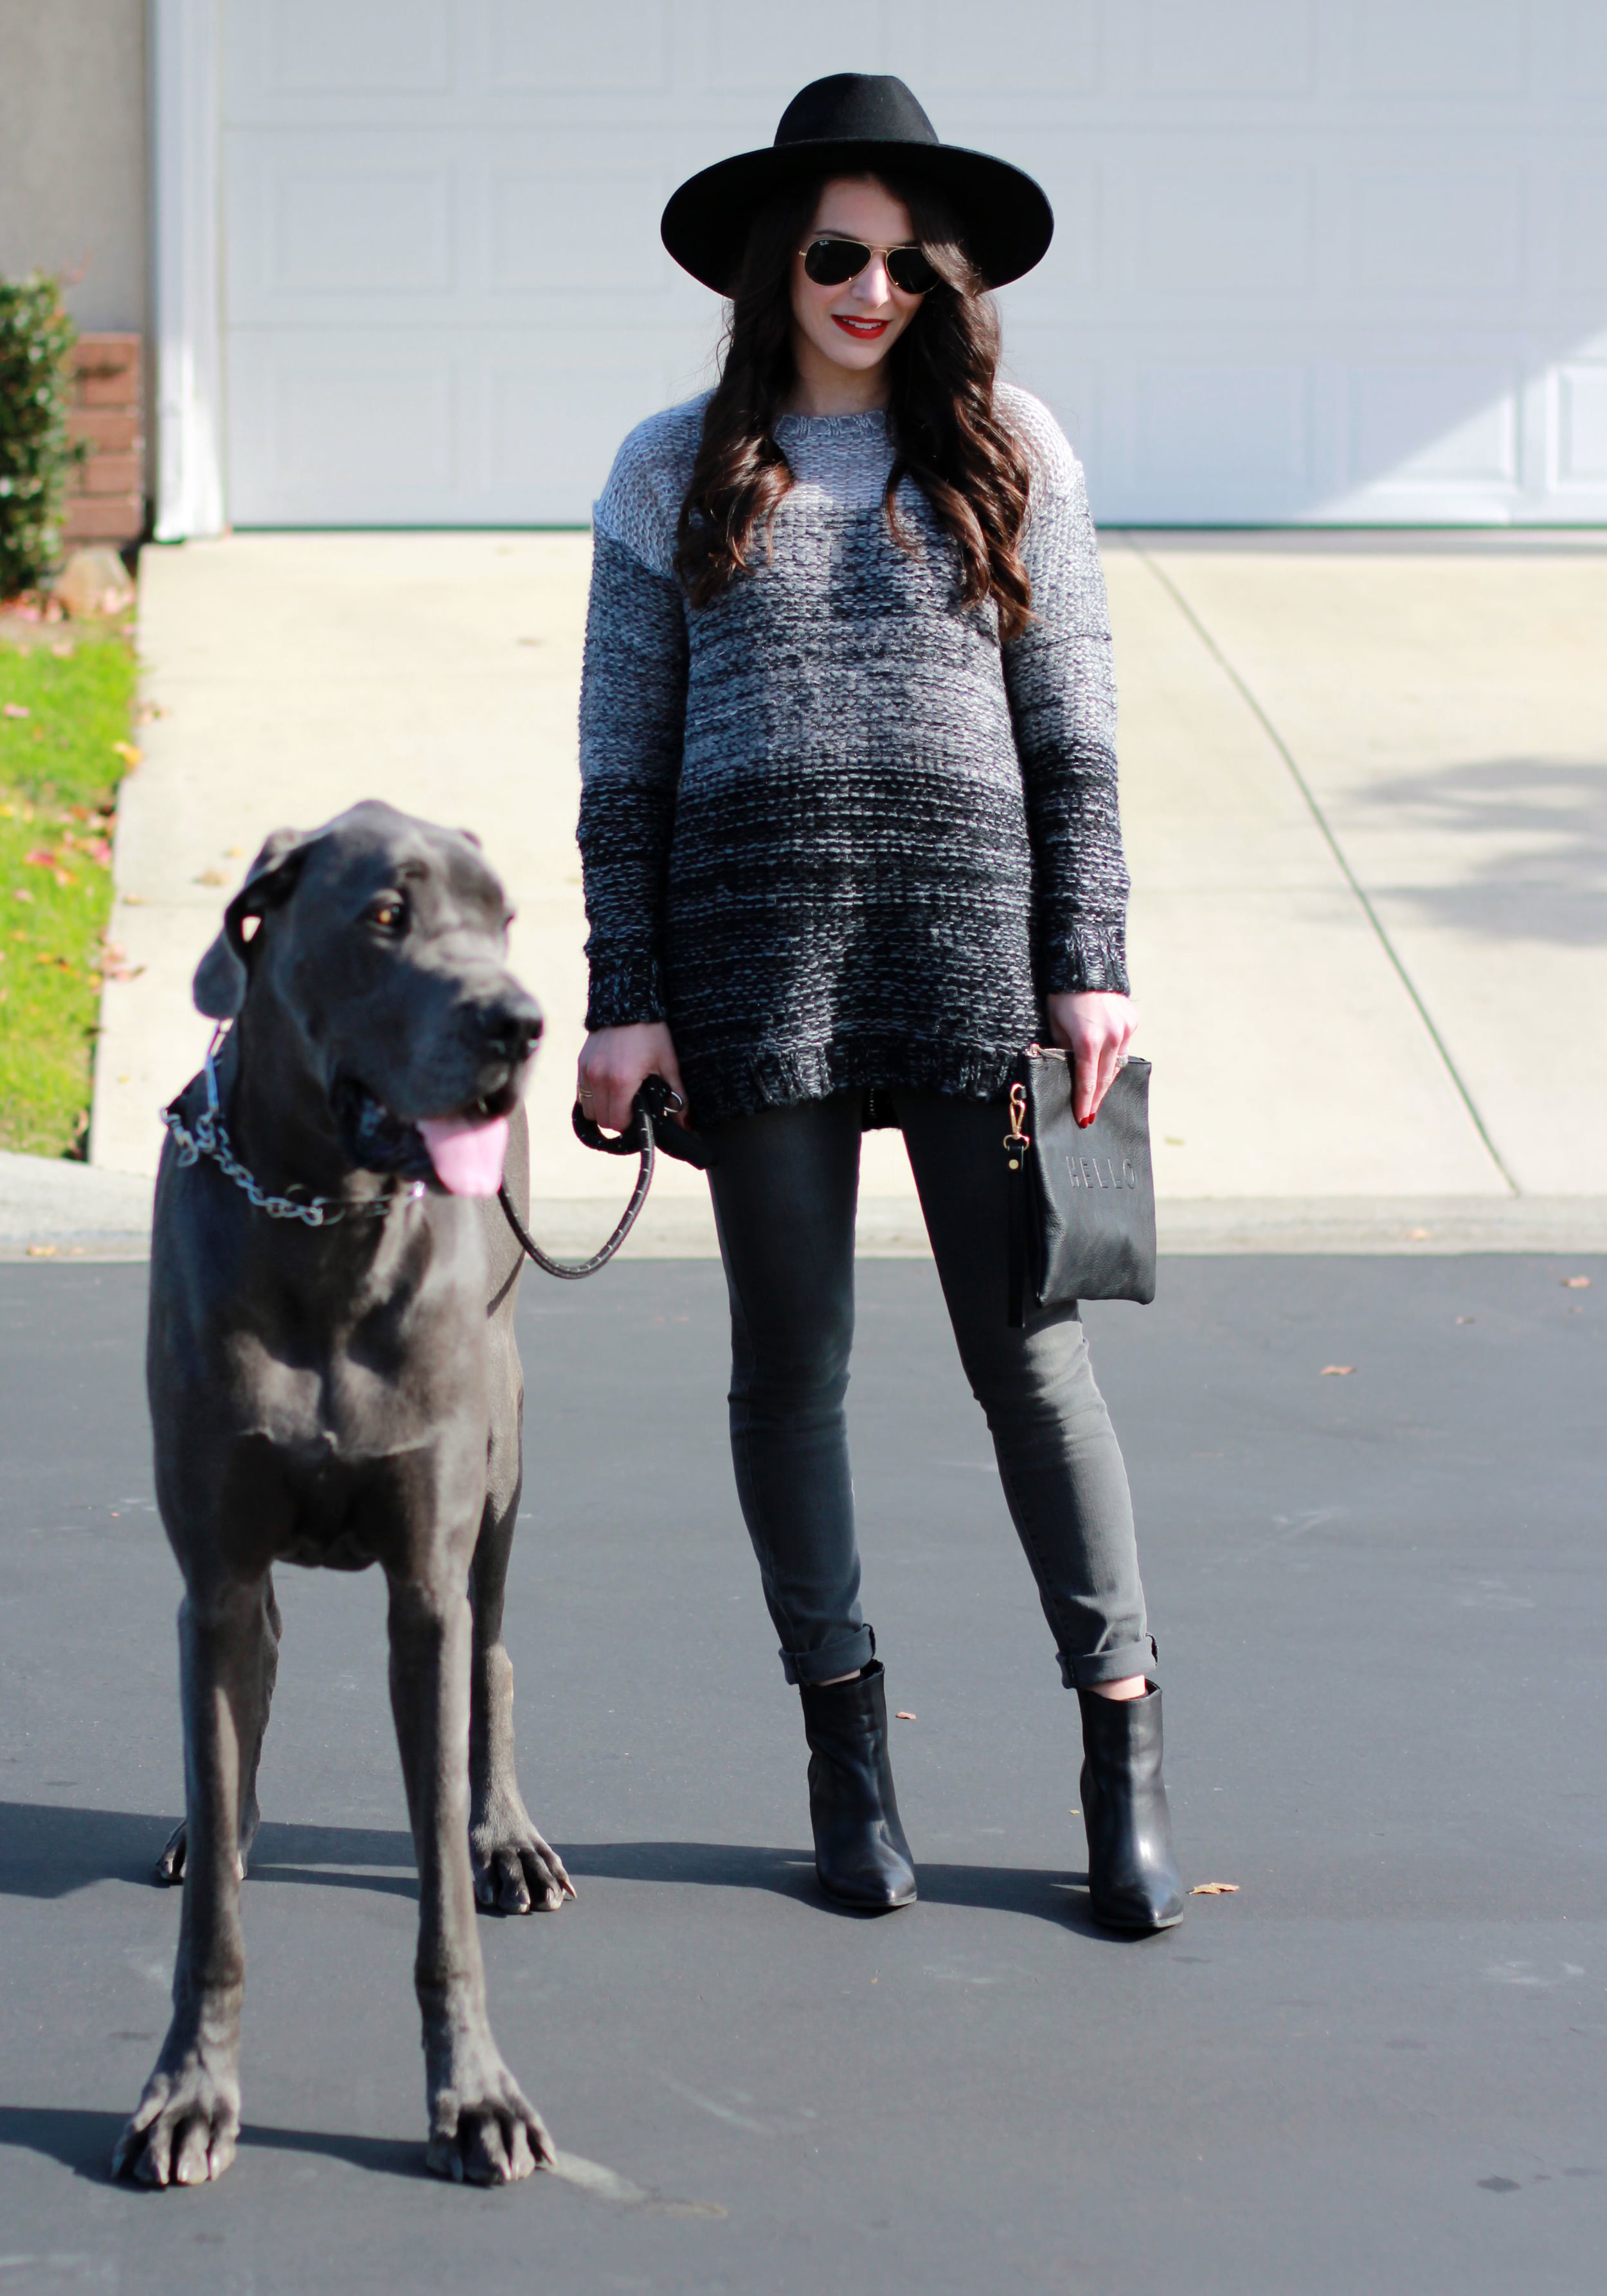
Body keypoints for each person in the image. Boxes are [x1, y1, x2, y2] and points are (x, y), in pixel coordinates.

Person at [574, 75, 1183, 1932]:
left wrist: (1086, 957)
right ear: (775, 268)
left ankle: (1122, 1743)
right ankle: (850, 1760)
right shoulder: (667, 465)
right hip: (751, 973)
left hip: (970, 963)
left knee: (1029, 1358)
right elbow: (624, 760)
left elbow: (1071, 732)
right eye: (835, 255)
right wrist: (626, 997)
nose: (871, 289)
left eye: (905, 258)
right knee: (793, 1370)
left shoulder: (1015, 450)